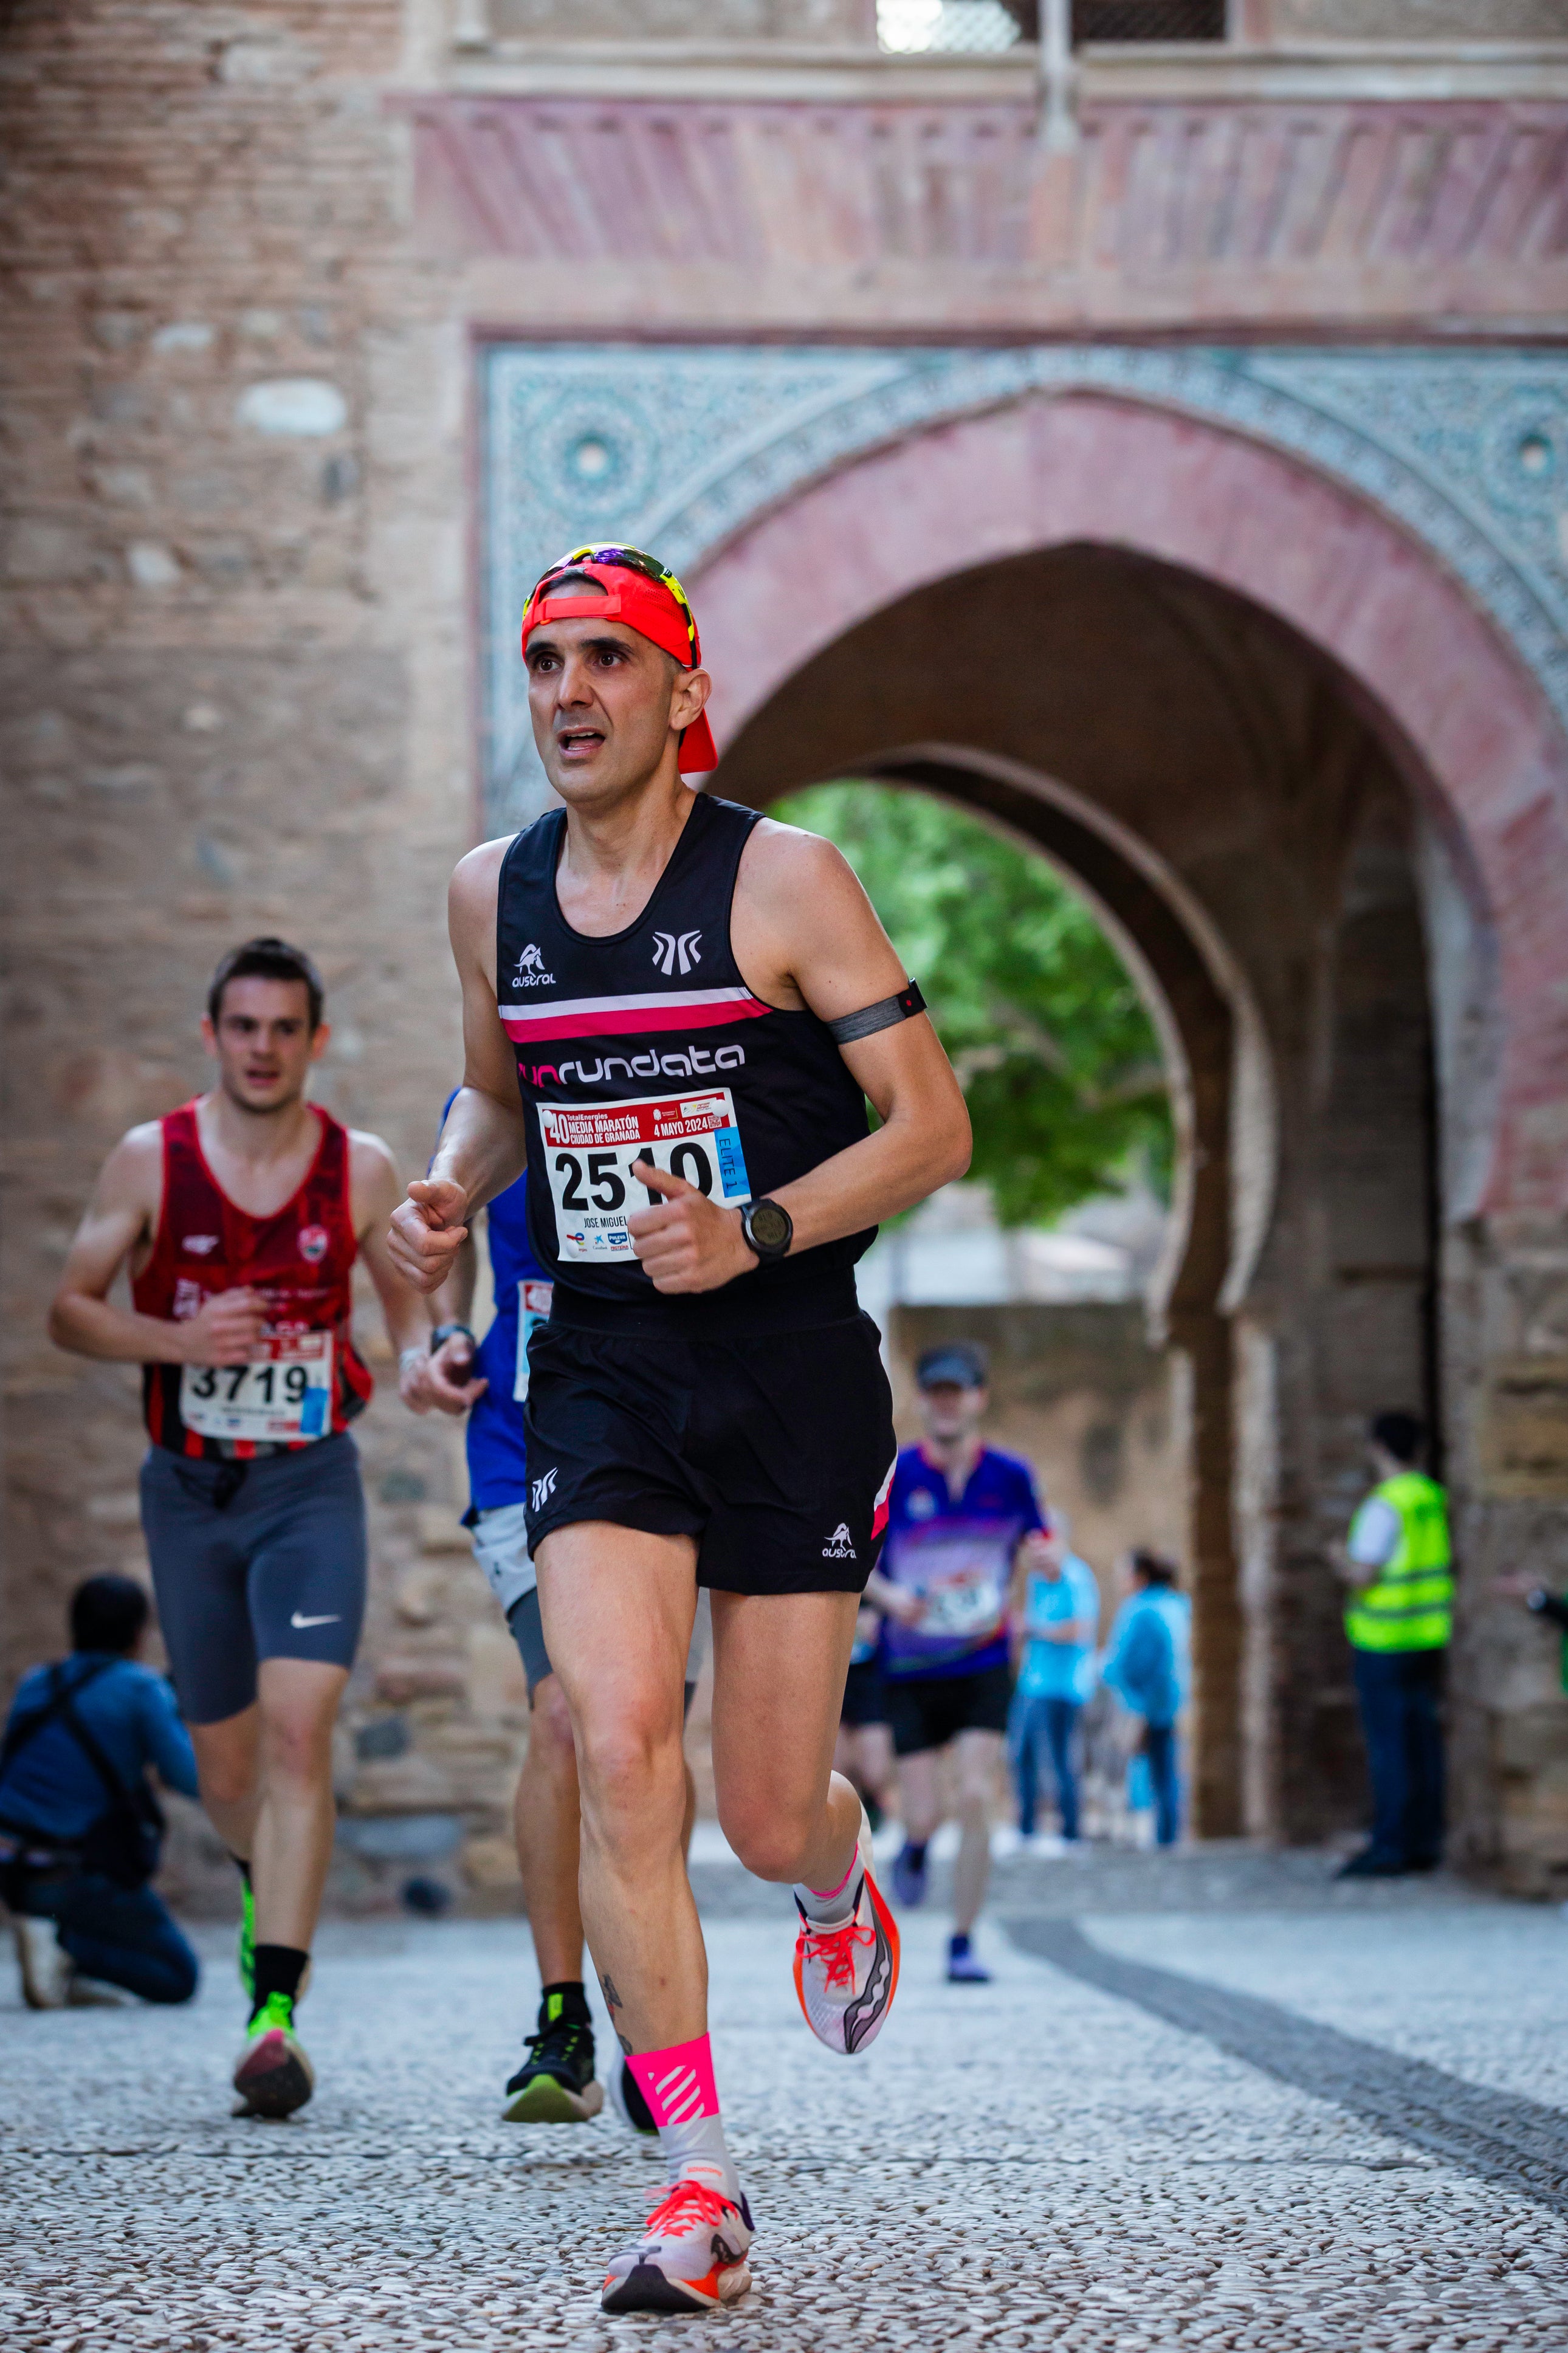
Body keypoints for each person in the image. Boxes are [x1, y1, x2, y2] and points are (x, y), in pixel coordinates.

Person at [387, 543, 970, 2312]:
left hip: (787, 1358)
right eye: (545, 661)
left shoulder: (782, 880)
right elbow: (501, 1096)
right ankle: (697, 2179)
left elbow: (930, 1125)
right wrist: (439, 1191)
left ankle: (834, 1883)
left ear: (678, 691)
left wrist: (764, 1226)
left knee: (765, 1808)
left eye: (605, 662)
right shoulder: (491, 893)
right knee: (619, 1740)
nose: (567, 692)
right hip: (605, 1367)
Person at [47, 936, 433, 2118]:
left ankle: (275, 2013)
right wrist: (180, 1340)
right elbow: (70, 1309)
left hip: (307, 1481)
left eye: (285, 1029)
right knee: (225, 1767)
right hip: (189, 1488)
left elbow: (410, 1309)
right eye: (243, 1026)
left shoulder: (357, 1169)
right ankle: (270, 1885)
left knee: (302, 1730)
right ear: (213, 1035)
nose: (263, 1048)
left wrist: (427, 1360)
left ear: (315, 1042)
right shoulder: (149, 1162)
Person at [411, 1128, 708, 2132]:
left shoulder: (677, 1034)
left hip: (678, 1437)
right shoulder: (489, 1093)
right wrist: (441, 1336)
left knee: (645, 1740)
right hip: (524, 1435)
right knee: (565, 1716)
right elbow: (434, 1234)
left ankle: (652, 2014)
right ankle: (563, 2014)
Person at [867, 1341, 1045, 1985]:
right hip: (911, 1669)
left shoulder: (1011, 1475)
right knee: (924, 1812)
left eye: (958, 1391)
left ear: (978, 1398)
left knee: (974, 1796)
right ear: (921, 1400)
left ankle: (963, 1939)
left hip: (982, 1659)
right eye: (936, 1391)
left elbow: (1038, 1536)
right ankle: (914, 1847)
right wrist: (892, 1598)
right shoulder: (895, 1475)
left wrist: (1047, 1557)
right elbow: (854, 1559)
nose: (947, 1402)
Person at [0, 1574, 200, 2008]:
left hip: (14, 1870)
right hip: (81, 1874)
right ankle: (64, 1948)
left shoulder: (38, 1681)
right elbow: (189, 1779)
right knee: (177, 1976)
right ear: (137, 1633)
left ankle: (52, 1945)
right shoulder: (141, 1688)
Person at [1332, 1410, 1452, 1879]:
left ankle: (1391, 1844)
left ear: (1377, 1448)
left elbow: (1364, 1573)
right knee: (1423, 1744)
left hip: (1384, 1639)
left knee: (1389, 1747)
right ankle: (1424, 1840)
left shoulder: (1386, 1504)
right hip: (1426, 1635)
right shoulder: (1431, 1497)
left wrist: (1337, 1559)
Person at [1009, 1514, 1099, 1849]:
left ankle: (1071, 1833)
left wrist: (1034, 1629)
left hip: (1063, 1687)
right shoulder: (1036, 1581)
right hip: (1033, 1683)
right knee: (1021, 1756)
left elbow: (1080, 1630)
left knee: (1060, 1761)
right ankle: (1026, 1829)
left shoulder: (1075, 1578)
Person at [1101, 1550, 1189, 1848]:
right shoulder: (1178, 1603)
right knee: (1169, 1770)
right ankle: (1170, 1832)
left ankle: (1160, 1835)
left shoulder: (1139, 1609)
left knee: (1149, 1772)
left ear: (1139, 1576)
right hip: (1175, 1700)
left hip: (1146, 1703)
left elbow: (1123, 1661)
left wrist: (1113, 1678)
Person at [833, 1605, 896, 1833]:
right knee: (837, 1770)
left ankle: (872, 1802)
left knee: (876, 1772)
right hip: (828, 1674)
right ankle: (850, 1820)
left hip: (870, 1675)